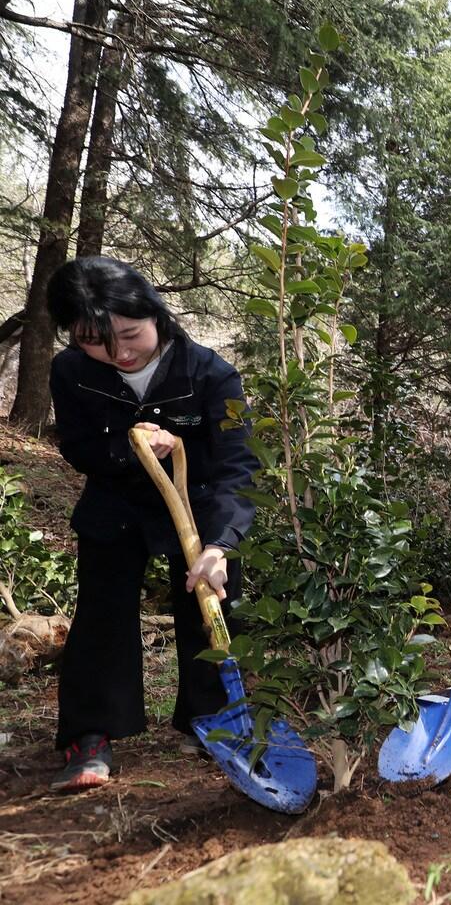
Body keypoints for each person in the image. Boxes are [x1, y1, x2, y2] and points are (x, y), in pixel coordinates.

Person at [44, 257, 257, 793]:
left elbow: (238, 465)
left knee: (208, 603)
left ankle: (208, 719)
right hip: (115, 503)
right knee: (101, 611)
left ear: (154, 313)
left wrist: (220, 543)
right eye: (95, 341)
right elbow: (77, 446)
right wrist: (131, 445)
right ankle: (89, 736)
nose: (119, 353)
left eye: (129, 334)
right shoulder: (71, 372)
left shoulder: (210, 374)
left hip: (199, 501)